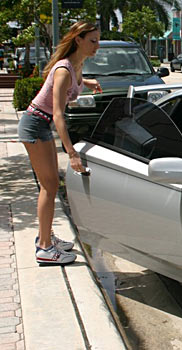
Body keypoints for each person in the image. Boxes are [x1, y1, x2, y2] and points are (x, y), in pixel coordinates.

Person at [17, 21, 102, 265]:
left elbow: (70, 82)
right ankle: (44, 247)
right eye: (92, 41)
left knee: (51, 184)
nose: (96, 46)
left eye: (98, 41)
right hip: (35, 124)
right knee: (50, 185)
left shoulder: (78, 64)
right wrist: (71, 152)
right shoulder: (64, 69)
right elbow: (57, 114)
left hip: (41, 125)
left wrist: (87, 83)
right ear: (79, 40)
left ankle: (46, 237)